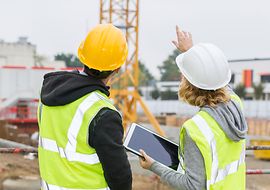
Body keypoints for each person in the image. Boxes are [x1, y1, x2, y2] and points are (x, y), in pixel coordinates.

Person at [139, 26, 247, 190]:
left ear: (190, 85)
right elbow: (215, 78)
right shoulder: (235, 103)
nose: (181, 78)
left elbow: (193, 185)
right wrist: (191, 53)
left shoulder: (196, 129)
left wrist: (153, 165)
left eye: (184, 75)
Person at [38, 24, 132, 190]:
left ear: (82, 56)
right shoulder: (104, 113)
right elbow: (120, 177)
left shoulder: (47, 95)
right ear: (117, 68)